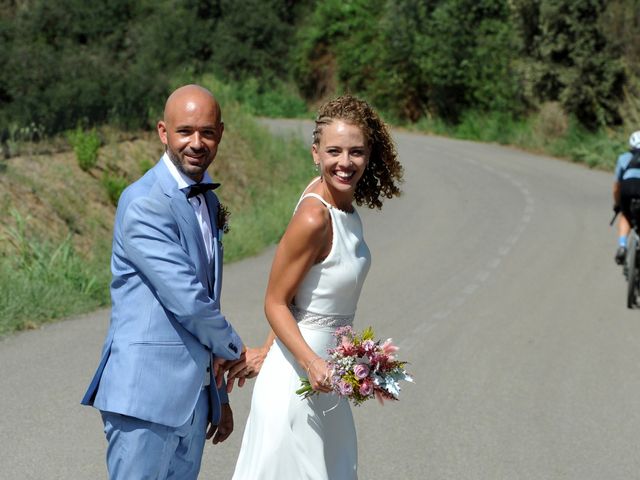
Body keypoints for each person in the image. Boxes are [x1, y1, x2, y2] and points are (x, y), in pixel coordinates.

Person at [81, 84, 251, 479]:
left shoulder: (207, 200)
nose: (197, 142)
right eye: (185, 131)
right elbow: (189, 300)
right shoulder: (144, 202)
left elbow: (207, 299)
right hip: (144, 399)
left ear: (220, 133)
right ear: (163, 132)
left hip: (192, 403)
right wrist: (237, 349)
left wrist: (218, 397)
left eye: (207, 132)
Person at [231, 94, 404, 479]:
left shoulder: (344, 205)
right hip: (299, 384)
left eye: (356, 152)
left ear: (369, 153)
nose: (345, 163)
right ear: (315, 153)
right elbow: (275, 301)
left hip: (326, 384)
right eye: (334, 151)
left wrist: (270, 349)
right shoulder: (314, 215)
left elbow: (300, 299)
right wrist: (310, 362)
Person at [613, 130, 640, 265]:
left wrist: (618, 204)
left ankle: (622, 246)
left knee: (625, 215)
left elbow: (616, 186)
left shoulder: (623, 158)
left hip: (627, 188)